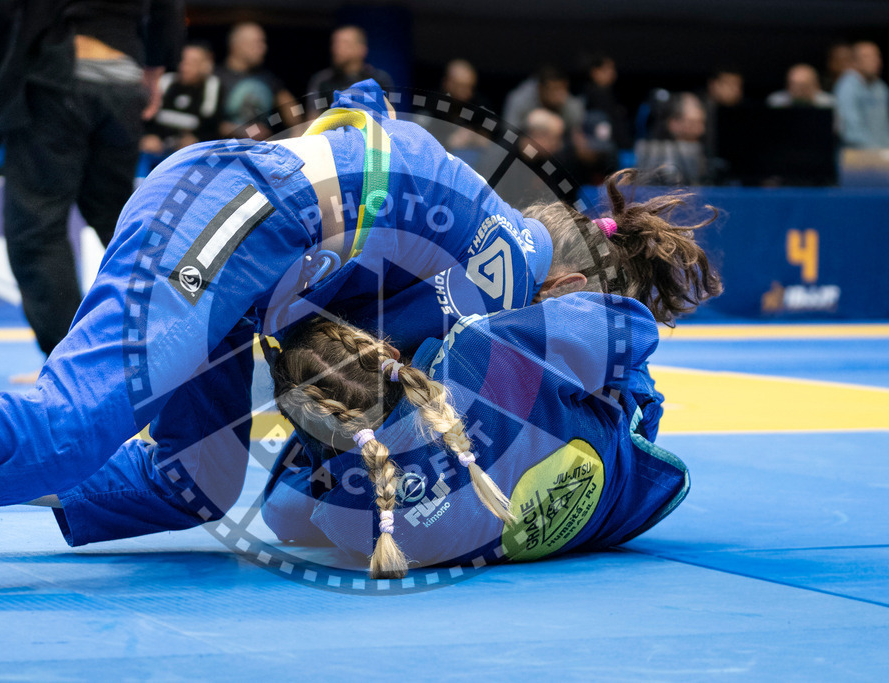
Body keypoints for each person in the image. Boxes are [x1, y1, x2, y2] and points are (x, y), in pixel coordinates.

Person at [0, 80, 557, 545]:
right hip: (238, 212)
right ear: (570, 282)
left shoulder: (481, 243)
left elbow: (362, 106)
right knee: (74, 422)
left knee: (196, 482)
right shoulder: (513, 265)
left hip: (260, 253)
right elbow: (359, 375)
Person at [261, 171, 721, 577]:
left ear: (565, 290)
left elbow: (283, 511)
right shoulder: (513, 359)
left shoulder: (489, 352)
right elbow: (630, 332)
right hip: (621, 507)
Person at [0, 0, 185, 360]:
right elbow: (167, 7)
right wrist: (155, 66)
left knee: (37, 230)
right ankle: (181, 335)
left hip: (58, 73)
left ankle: (71, 363)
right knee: (120, 221)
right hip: (124, 77)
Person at [216, 22, 299, 138]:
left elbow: (293, 110)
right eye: (256, 43)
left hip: (261, 150)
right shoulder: (216, 78)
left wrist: (298, 131)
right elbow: (206, 123)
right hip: (225, 150)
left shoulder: (268, 79)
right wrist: (240, 130)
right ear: (236, 45)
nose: (263, 48)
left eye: (263, 42)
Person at [141, 42, 222, 156]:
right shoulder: (166, 81)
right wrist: (149, 135)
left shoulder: (211, 86)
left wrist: (197, 139)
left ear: (205, 66)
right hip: (159, 147)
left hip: (191, 151)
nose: (185, 66)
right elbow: (147, 116)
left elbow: (213, 126)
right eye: (183, 60)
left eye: (193, 62)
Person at [305, 25, 393, 115]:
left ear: (362, 49)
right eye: (335, 43)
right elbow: (313, 119)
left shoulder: (379, 79)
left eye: (345, 43)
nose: (336, 48)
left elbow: (389, 117)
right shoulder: (322, 81)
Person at [635, 92, 708, 185]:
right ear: (673, 123)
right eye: (693, 123)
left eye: (702, 123)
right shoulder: (646, 149)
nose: (701, 130)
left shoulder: (699, 152)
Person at [834, 41, 889, 149]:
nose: (875, 60)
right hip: (856, 153)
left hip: (883, 151)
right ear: (854, 61)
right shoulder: (847, 85)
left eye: (877, 56)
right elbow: (850, 127)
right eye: (867, 57)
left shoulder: (881, 87)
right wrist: (875, 151)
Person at [767, 64, 836, 109]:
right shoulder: (775, 103)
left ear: (816, 86)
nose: (799, 90)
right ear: (787, 86)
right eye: (795, 85)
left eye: (804, 86)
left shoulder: (829, 104)